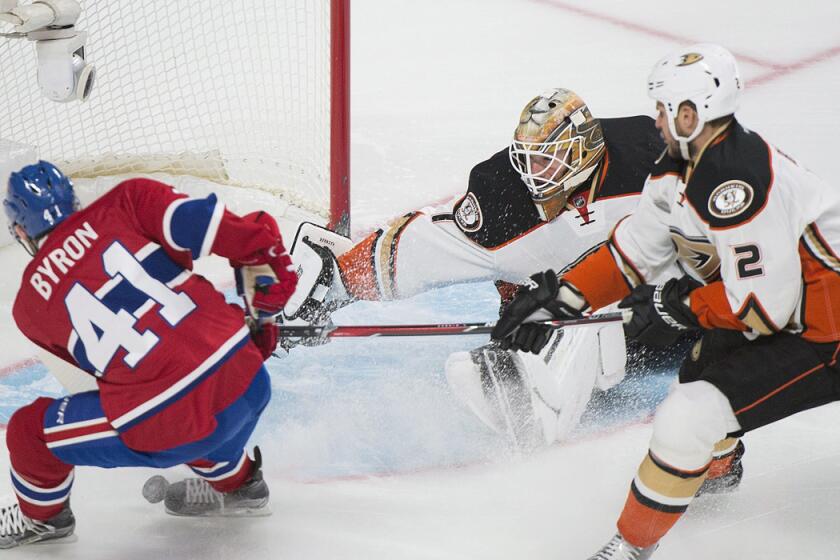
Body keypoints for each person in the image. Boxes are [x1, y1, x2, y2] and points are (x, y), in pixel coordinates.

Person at [492, 43, 839, 559]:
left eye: (664, 108)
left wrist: (681, 305)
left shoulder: (737, 180)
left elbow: (763, 308)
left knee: (689, 415)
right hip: (797, 314)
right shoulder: (678, 168)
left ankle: (628, 550)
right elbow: (634, 251)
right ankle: (714, 471)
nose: (655, 118)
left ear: (693, 111)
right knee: (697, 379)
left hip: (824, 329)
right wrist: (559, 301)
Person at [283, 87, 678, 449]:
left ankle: (544, 398)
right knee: (561, 308)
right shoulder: (503, 196)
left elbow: (716, 209)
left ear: (581, 153)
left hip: (669, 310)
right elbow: (429, 245)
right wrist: (338, 277)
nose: (530, 172)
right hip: (576, 305)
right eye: (526, 157)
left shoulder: (647, 155)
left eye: (543, 160)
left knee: (606, 308)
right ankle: (530, 381)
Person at [0, 161, 298, 547]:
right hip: (248, 379)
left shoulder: (28, 307)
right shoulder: (129, 199)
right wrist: (263, 253)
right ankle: (242, 488)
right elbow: (211, 224)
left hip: (173, 422)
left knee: (30, 431)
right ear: (73, 200)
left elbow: (106, 373)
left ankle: (43, 521)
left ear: (21, 230)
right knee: (194, 396)